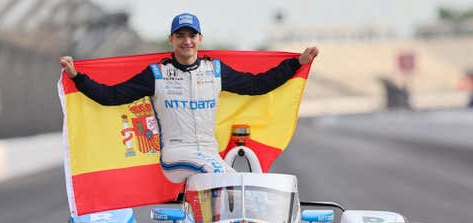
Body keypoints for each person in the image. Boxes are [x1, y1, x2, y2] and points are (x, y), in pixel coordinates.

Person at [60, 13, 318, 183]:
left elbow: (258, 84)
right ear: (172, 39)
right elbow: (110, 96)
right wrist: (77, 76)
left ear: (200, 39)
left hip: (209, 154)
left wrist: (297, 63)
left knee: (245, 183)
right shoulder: (156, 74)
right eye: (180, 36)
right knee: (227, 180)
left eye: (191, 35)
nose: (187, 41)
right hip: (176, 155)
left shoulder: (215, 70)